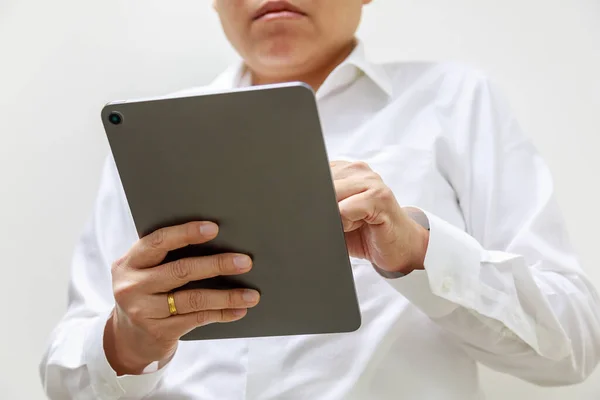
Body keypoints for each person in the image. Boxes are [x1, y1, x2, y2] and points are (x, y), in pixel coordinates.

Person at [40, 1, 600, 399]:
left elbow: (572, 347)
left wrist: (418, 252)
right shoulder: (148, 136)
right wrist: (126, 343)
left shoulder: (454, 101)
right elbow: (64, 380)